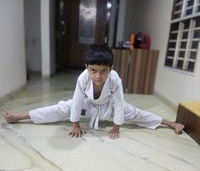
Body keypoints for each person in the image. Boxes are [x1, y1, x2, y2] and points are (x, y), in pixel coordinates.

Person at [2, 44, 184, 139]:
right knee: (61, 108)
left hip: (110, 106)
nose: (98, 76)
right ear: (87, 67)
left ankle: (170, 124)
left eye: (104, 71)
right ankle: (18, 117)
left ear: (111, 69)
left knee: (135, 112)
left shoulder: (115, 79)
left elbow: (119, 103)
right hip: (88, 106)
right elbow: (77, 100)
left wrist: (116, 126)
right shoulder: (83, 78)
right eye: (94, 70)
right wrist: (75, 124)